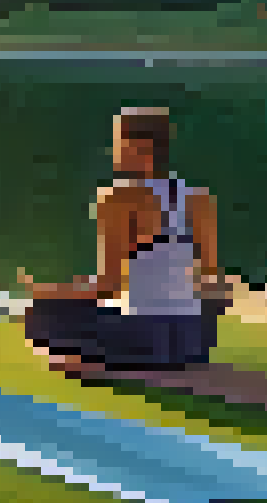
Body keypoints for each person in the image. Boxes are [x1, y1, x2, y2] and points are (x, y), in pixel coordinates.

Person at [18, 107, 227, 374]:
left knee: (39, 312)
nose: (114, 150)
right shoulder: (200, 199)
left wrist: (45, 292)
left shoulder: (118, 197)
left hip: (144, 339)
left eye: (118, 141)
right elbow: (211, 280)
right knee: (123, 310)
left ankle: (90, 359)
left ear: (139, 146)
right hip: (194, 341)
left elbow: (108, 286)